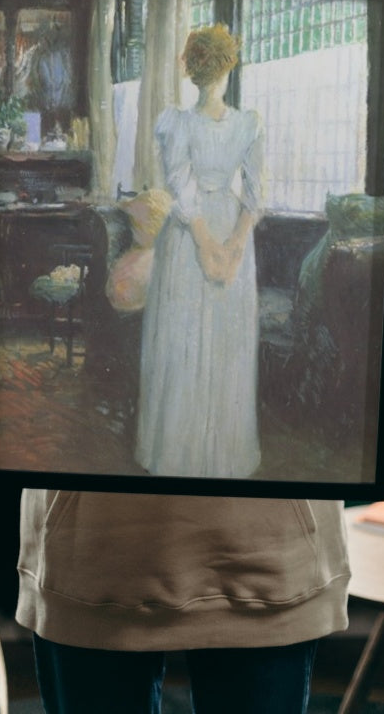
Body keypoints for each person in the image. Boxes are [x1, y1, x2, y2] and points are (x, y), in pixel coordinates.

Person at [0, 0, 384, 714]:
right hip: (96, 562)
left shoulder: (255, 112)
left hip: (262, 561)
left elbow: (256, 204)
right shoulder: (161, 116)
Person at [136, 24, 264, 478]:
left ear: (194, 71)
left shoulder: (231, 123)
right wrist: (224, 246)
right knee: (190, 340)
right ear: (227, 68)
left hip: (209, 232)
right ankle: (189, 457)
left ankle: (206, 456)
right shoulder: (192, 122)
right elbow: (246, 194)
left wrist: (227, 248)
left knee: (212, 344)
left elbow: (236, 190)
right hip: (203, 234)